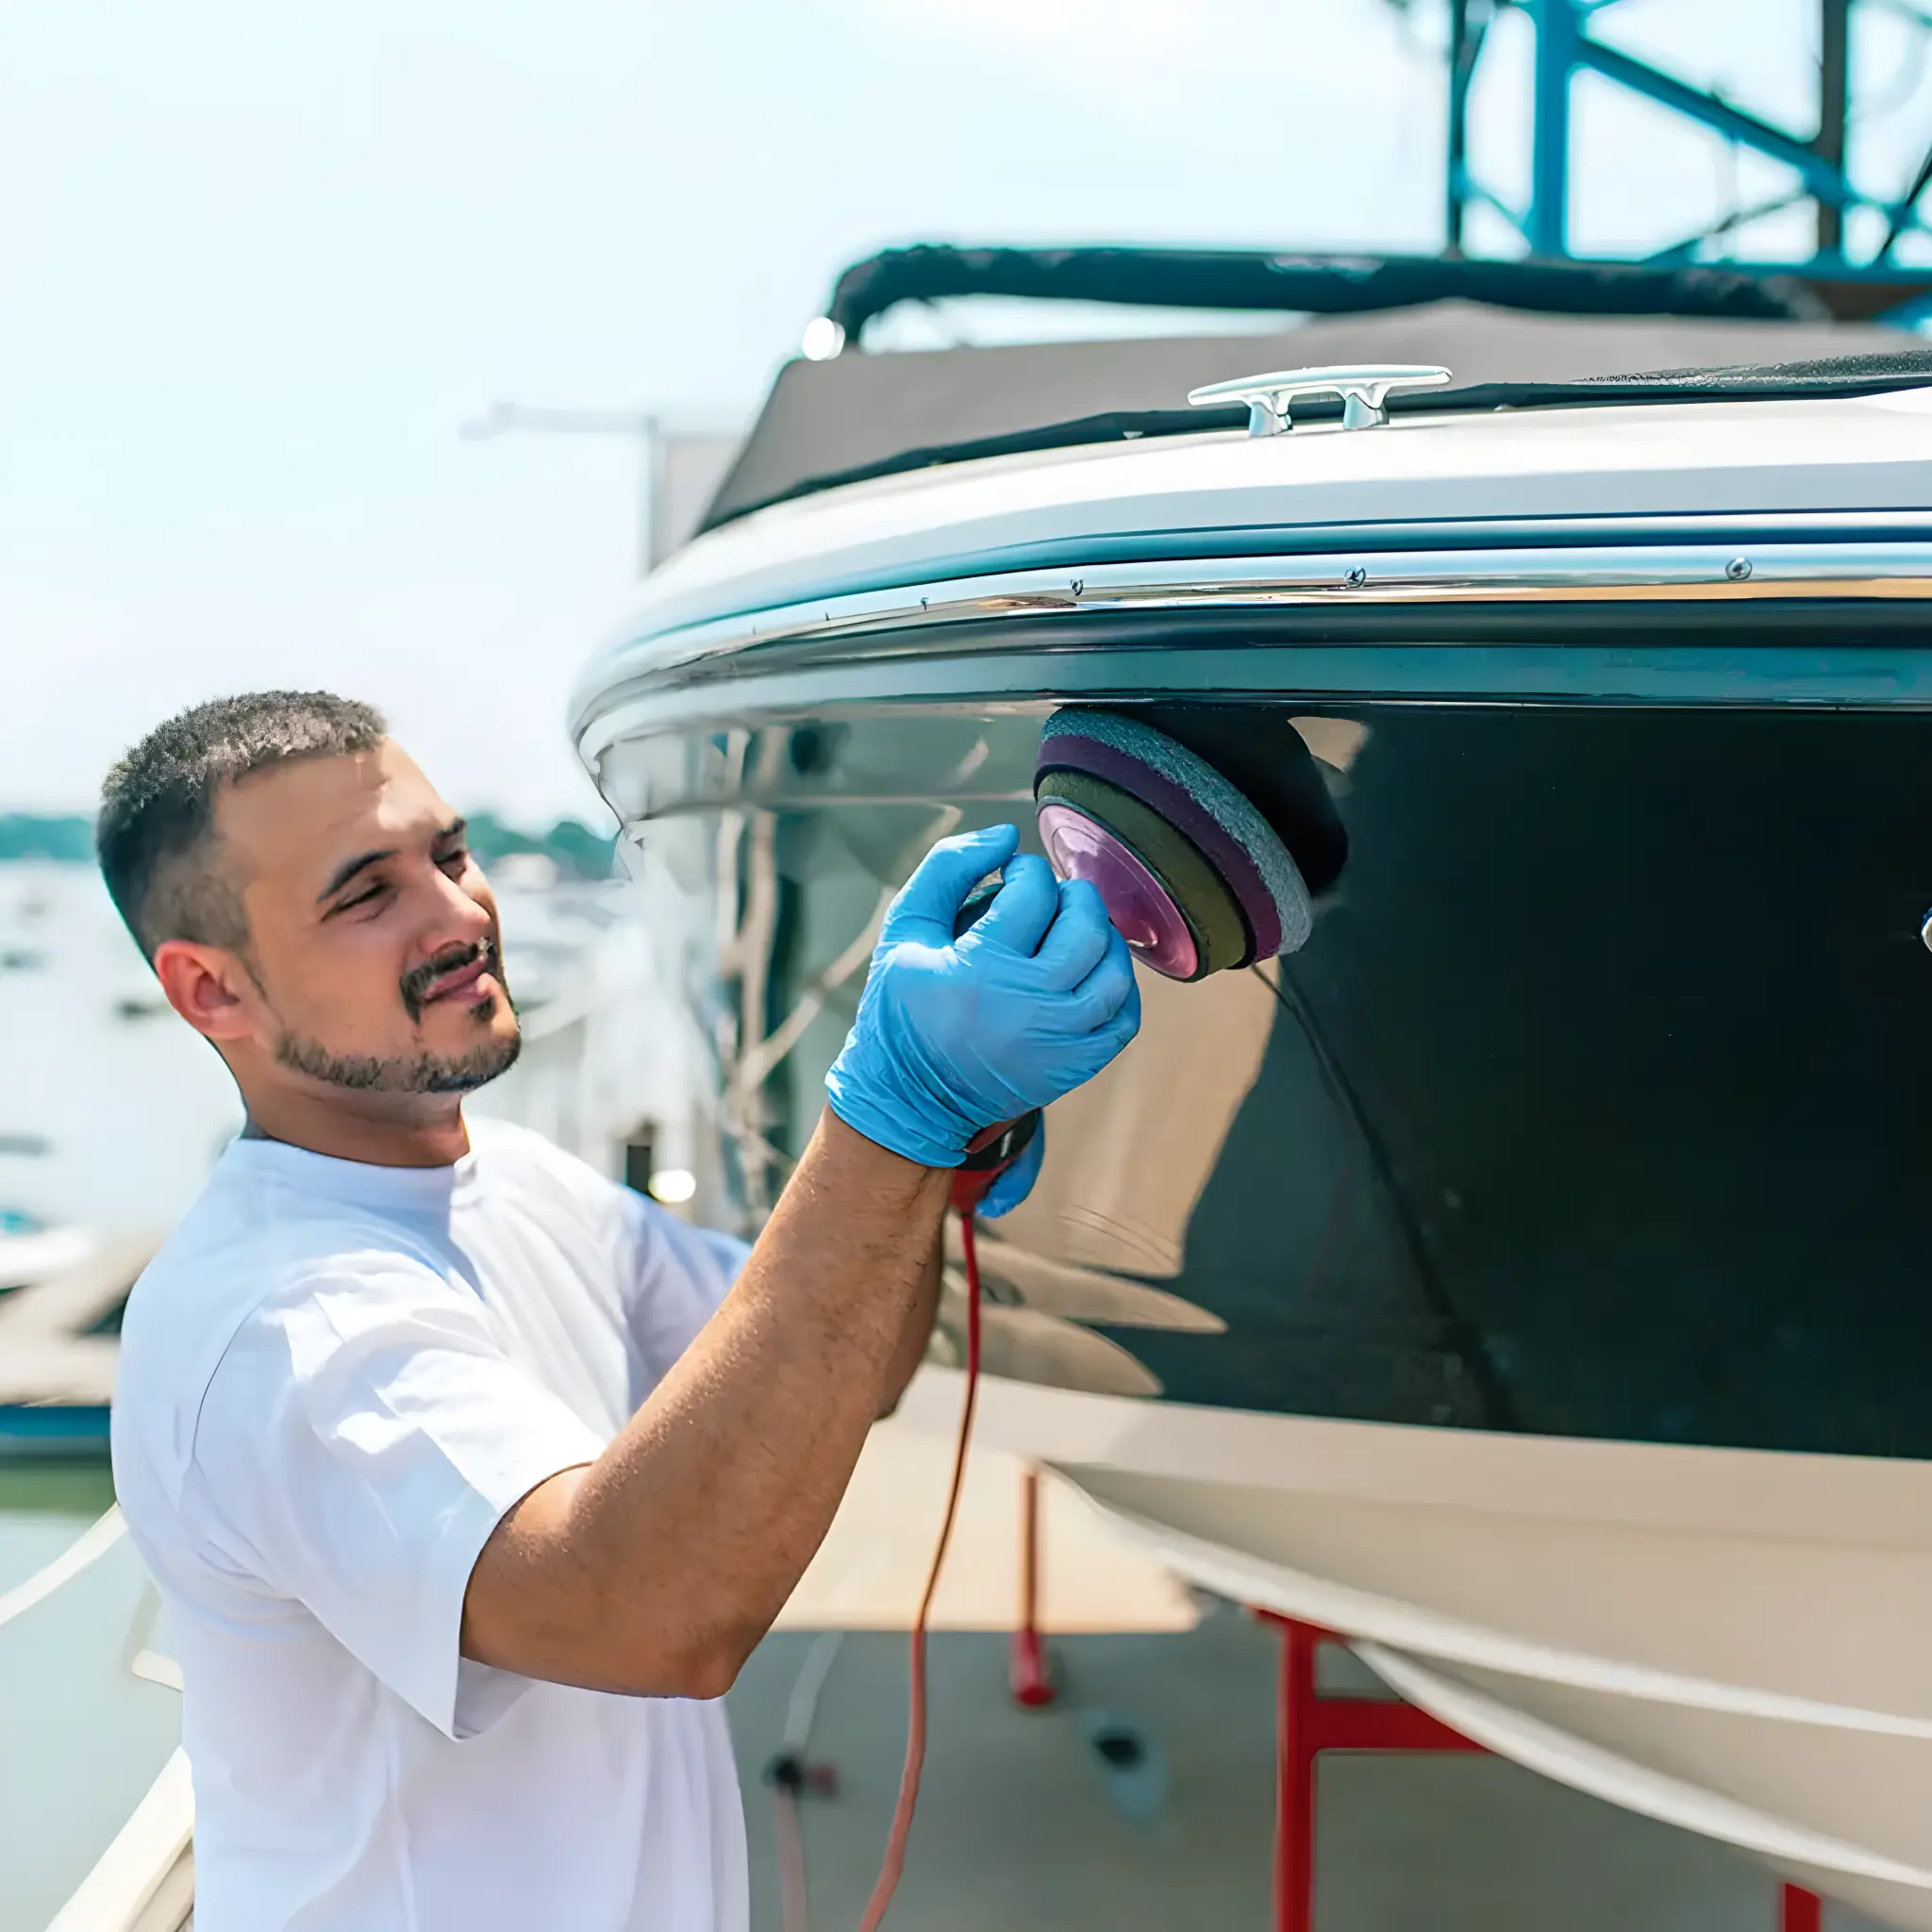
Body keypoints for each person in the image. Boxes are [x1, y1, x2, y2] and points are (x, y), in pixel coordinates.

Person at [104, 691, 1140, 1932]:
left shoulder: (519, 1183)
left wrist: (935, 1158)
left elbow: (843, 1367)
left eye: (449, 853)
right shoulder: (288, 1324)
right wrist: (888, 1117)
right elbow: (651, 1612)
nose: (460, 914)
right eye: (365, 893)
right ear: (212, 990)